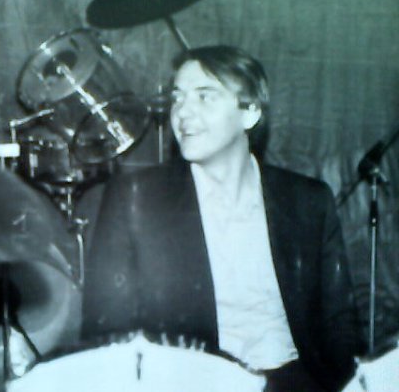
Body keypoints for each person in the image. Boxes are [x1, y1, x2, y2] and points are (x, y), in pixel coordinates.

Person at [81, 46, 358, 391]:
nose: (183, 112)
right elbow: (105, 329)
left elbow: (339, 323)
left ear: (250, 113)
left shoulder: (308, 200)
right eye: (178, 98)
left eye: (205, 96)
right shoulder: (135, 199)